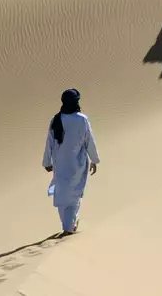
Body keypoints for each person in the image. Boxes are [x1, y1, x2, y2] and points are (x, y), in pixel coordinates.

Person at [42, 88, 100, 238]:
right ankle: (69, 227)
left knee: (62, 194)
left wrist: (47, 162)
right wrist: (94, 159)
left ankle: (68, 225)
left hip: (60, 164)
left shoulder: (56, 119)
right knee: (74, 195)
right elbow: (89, 141)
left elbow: (49, 143)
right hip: (77, 164)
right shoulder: (81, 119)